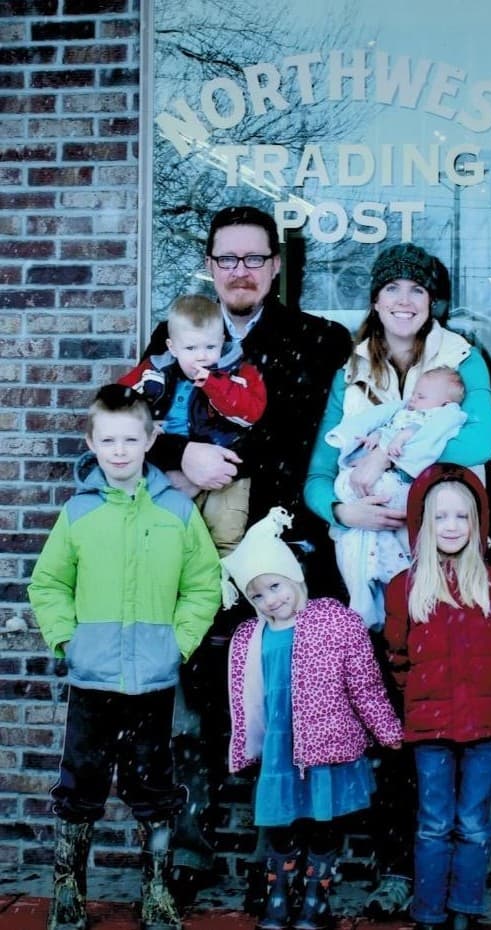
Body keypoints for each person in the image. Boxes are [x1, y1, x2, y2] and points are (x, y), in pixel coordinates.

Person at [143, 206, 352, 899]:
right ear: (209, 264)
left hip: (277, 542)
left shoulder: (316, 340)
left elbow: (301, 433)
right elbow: (130, 421)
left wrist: (217, 457)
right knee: (190, 705)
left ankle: (277, 860)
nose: (240, 271)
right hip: (191, 543)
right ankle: (188, 856)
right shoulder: (172, 337)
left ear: (274, 266)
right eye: (227, 259)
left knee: (280, 697)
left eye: (253, 259)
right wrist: (181, 453)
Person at [304, 242, 491, 917]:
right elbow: (317, 471)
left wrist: (400, 455)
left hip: (438, 567)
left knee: (431, 721)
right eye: (393, 290)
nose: (405, 301)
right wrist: (340, 507)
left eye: (417, 291)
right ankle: (393, 864)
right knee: (387, 723)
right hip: (368, 553)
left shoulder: (462, 359)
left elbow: (481, 443)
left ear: (431, 302)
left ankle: (436, 882)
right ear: (376, 300)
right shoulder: (352, 370)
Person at [27, 384, 221, 930]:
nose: (118, 451)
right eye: (107, 440)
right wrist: (69, 641)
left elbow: (204, 584)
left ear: (150, 440)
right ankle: (68, 889)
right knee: (80, 786)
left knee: (153, 788)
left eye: (130, 440)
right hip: (93, 679)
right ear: (91, 442)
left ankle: (156, 889)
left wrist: (177, 644)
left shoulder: (178, 511)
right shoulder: (79, 513)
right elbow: (48, 583)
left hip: (153, 682)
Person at [222, 507, 403, 930]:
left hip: (326, 746)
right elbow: (243, 698)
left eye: (275, 586)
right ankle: (279, 897)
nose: (272, 600)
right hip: (279, 749)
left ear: (294, 578)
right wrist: (244, 744)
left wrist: (387, 729)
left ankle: (315, 900)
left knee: (324, 823)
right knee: (282, 825)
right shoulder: (250, 635)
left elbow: (365, 684)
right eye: (259, 596)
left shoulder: (335, 620)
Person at [383, 464, 491, 930]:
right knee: (434, 823)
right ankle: (429, 913)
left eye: (462, 516)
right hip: (430, 727)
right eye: (441, 517)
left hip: (486, 725)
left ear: (476, 523)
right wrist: (420, 698)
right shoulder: (405, 587)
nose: (452, 526)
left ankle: (465, 910)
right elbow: (397, 655)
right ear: (423, 524)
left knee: (474, 824)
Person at [119, 294, 267, 555]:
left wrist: (214, 383)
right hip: (170, 470)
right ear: (172, 347)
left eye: (210, 347)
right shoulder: (155, 371)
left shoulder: (238, 372)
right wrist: (147, 426)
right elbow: (118, 405)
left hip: (226, 473)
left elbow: (249, 413)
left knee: (224, 540)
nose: (201, 357)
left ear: (222, 342)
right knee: (167, 538)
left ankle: (222, 591)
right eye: (190, 349)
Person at [325, 366, 467, 627]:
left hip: (399, 482)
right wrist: (374, 439)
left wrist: (389, 449)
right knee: (364, 532)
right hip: (376, 482)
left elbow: (411, 435)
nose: (413, 400)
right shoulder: (407, 412)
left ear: (444, 403)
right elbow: (388, 429)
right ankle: (383, 580)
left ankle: (371, 597)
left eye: (421, 397)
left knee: (361, 521)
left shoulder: (433, 418)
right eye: (414, 394)